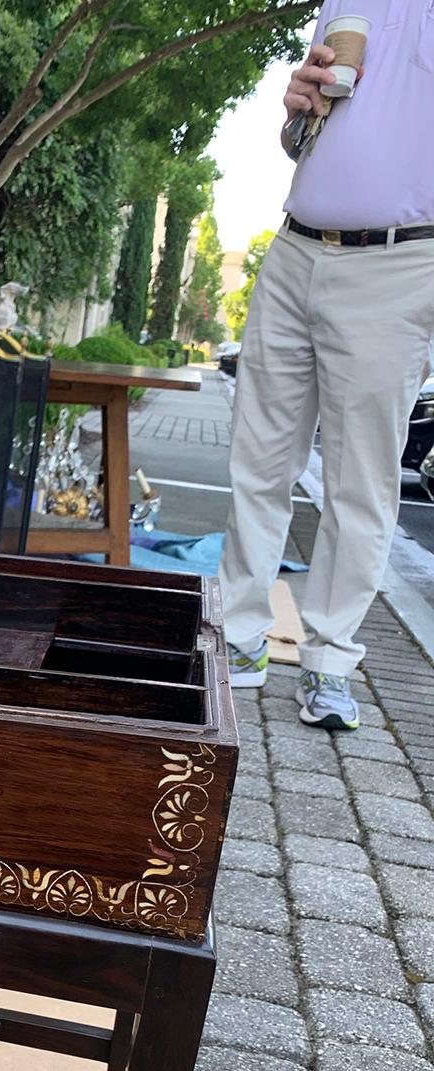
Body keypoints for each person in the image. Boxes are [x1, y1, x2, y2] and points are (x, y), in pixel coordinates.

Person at [218, 0, 434, 731]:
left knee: (359, 478)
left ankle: (331, 661)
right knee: (260, 458)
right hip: (295, 246)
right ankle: (240, 640)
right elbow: (304, 137)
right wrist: (297, 109)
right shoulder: (344, 3)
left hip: (400, 260)